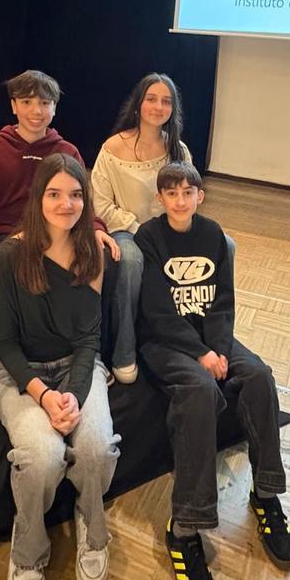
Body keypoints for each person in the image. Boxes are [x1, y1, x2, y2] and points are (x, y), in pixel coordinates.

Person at [135, 161, 290, 580]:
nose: (181, 200)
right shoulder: (148, 238)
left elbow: (223, 301)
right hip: (166, 342)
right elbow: (157, 310)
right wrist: (201, 354)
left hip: (210, 340)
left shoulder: (214, 235)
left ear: (200, 196)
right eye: (172, 193)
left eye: (189, 192)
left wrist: (219, 347)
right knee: (201, 390)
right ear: (161, 199)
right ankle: (184, 527)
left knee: (259, 375)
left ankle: (265, 493)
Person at [0, 153, 120, 580]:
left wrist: (73, 394)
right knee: (41, 457)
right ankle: (28, 553)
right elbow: (5, 344)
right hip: (21, 374)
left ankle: (90, 519)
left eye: (77, 194)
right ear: (38, 197)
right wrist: (43, 396)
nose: (67, 204)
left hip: (76, 369)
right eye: (55, 194)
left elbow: (89, 339)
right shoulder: (9, 256)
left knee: (97, 448)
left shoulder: (92, 251)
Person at [0, 70, 117, 421]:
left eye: (45, 102)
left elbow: (81, 200)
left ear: (55, 108)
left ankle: (94, 359)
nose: (36, 110)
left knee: (106, 258)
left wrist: (96, 228)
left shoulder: (65, 150)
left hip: (56, 236)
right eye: (27, 102)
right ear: (13, 106)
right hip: (4, 237)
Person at [91, 73, 195, 386]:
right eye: (152, 98)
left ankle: (195, 339)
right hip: (127, 230)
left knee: (222, 245)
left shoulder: (179, 150)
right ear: (139, 103)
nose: (158, 106)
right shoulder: (112, 147)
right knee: (133, 260)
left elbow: (187, 197)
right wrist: (140, 230)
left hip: (170, 230)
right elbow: (100, 205)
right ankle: (124, 352)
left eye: (166, 101)